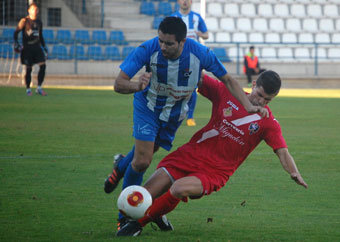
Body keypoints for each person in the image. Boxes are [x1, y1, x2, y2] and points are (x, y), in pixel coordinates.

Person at [103, 16, 267, 232]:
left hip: (176, 112)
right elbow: (118, 83)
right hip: (148, 107)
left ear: (182, 42)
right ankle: (125, 215)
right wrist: (136, 85)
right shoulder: (148, 49)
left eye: (168, 43)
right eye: (160, 40)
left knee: (149, 150)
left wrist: (247, 105)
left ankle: (121, 166)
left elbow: (227, 79)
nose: (162, 46)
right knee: (143, 160)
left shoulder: (200, 53)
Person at [116, 70, 308, 236]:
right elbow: (200, 78)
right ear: (254, 84)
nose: (261, 101)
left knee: (178, 188)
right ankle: (149, 213)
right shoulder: (228, 93)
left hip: (215, 171)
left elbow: (282, 152)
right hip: (189, 155)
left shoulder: (268, 123)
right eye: (259, 95)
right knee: (147, 193)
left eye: (268, 99)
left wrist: (294, 172)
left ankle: (137, 225)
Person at [171, 0, 209, 127]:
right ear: (178, 1)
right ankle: (174, 113)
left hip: (193, 58)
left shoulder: (197, 17)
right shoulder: (173, 18)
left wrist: (199, 34)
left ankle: (190, 117)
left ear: (191, 2)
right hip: (176, 58)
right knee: (173, 86)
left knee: (192, 87)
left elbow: (206, 35)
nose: (185, 2)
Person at [13, 3, 48, 96]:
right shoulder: (24, 21)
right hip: (27, 48)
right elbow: (16, 33)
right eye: (33, 9)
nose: (35, 11)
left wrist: (44, 47)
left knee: (43, 66)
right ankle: (28, 89)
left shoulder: (39, 22)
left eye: (36, 9)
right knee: (29, 69)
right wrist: (16, 43)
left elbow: (40, 36)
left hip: (37, 47)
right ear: (29, 10)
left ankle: (39, 88)